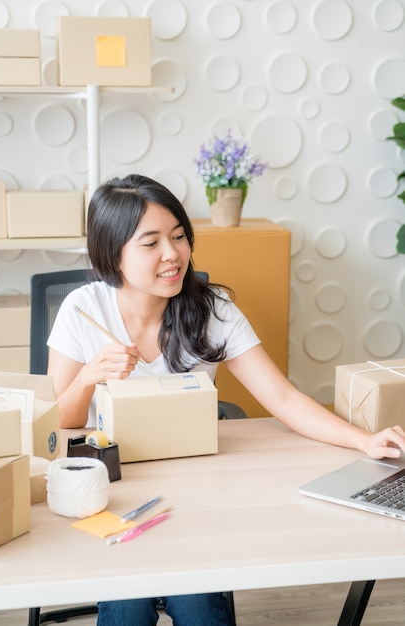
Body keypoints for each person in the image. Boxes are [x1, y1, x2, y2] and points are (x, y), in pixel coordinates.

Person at [47, 173, 405, 626]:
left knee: (199, 609)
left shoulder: (212, 309)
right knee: (126, 608)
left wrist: (363, 441)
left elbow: (283, 398)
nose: (172, 254)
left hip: (198, 490)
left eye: (179, 236)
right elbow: (60, 422)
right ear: (111, 253)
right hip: (119, 490)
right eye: (151, 242)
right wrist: (87, 378)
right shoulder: (83, 311)